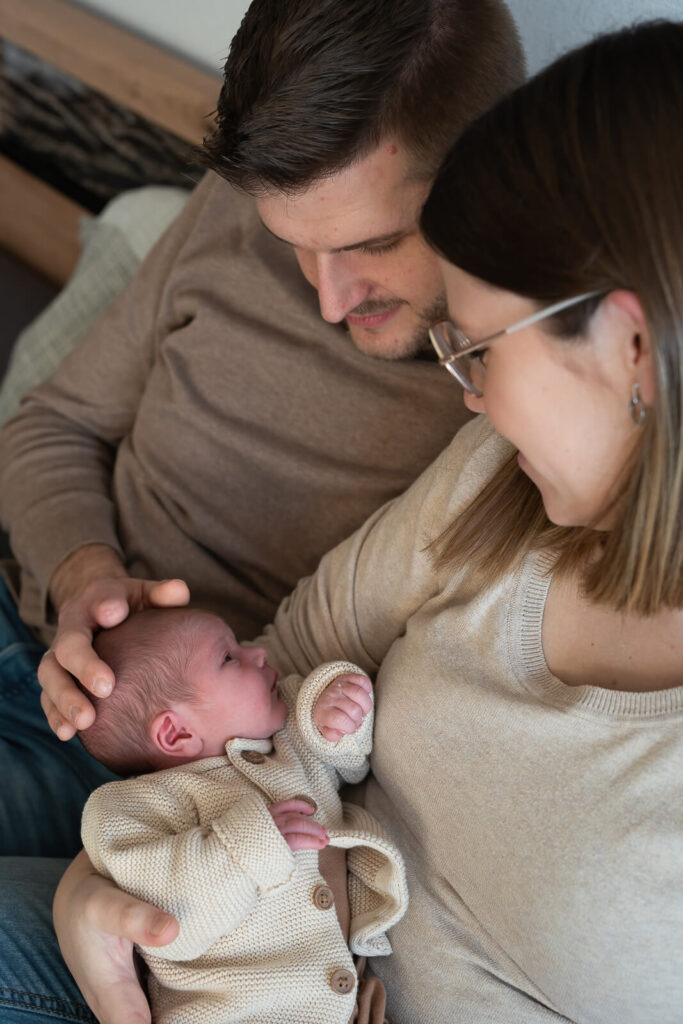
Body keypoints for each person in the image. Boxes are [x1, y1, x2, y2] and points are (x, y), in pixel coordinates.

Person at [52, 18, 683, 1024]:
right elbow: (286, 657)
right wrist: (99, 881)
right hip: (205, 925)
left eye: (476, 347)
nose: (464, 396)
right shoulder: (495, 479)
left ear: (629, 341)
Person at [0, 0, 523, 862]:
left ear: (496, 169)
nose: (328, 300)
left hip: (150, 779)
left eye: (373, 242)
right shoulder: (235, 204)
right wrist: (81, 578)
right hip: (28, 614)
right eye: (293, 244)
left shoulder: (516, 387)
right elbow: (51, 427)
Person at [78, 607, 406, 1024]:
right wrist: (252, 844)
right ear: (176, 733)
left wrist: (337, 716)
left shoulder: (285, 737)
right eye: (229, 657)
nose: (258, 654)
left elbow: (346, 763)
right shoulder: (130, 810)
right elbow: (171, 916)